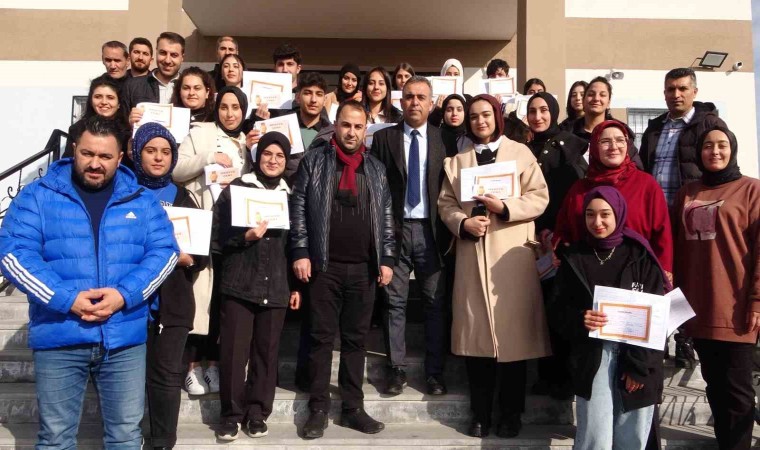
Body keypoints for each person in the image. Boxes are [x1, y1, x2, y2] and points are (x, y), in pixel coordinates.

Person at [0, 116, 178, 449]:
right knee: (56, 438)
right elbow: (13, 254)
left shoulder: (141, 200)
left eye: (105, 156)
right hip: (60, 335)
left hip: (123, 339)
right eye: (87, 153)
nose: (95, 163)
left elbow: (165, 252)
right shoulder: (37, 196)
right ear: (74, 149)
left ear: (121, 157)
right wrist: (66, 298)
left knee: (126, 436)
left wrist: (124, 295)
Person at [438, 94, 551, 438]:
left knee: (515, 342)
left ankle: (511, 414)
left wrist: (505, 207)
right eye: (473, 116)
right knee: (477, 343)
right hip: (473, 256)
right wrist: (462, 223)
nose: (480, 121)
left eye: (486, 114)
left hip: (511, 258)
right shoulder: (457, 162)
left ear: (497, 117)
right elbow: (446, 204)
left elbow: (539, 197)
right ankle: (480, 413)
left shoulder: (521, 153)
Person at [290, 100, 395, 439]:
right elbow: (299, 206)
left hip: (364, 269)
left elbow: (387, 215)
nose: (351, 132)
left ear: (366, 130)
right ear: (335, 125)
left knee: (355, 341)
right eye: (346, 125)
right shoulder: (315, 161)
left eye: (358, 126)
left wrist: (387, 258)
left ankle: (352, 408)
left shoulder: (375, 168)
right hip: (324, 266)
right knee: (320, 340)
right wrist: (301, 251)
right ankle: (318, 408)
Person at [547, 186, 667, 450]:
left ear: (619, 214)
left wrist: (639, 367)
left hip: (637, 356)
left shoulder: (640, 256)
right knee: (595, 438)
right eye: (590, 214)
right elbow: (556, 310)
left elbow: (657, 317)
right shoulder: (574, 257)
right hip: (593, 357)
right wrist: (581, 319)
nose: (597, 222)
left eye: (605, 214)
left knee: (631, 439)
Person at [673, 125, 760, 450]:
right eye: (708, 146)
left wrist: (757, 300)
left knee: (738, 393)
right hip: (698, 307)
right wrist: (676, 306)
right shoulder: (687, 193)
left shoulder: (752, 190)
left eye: (722, 145)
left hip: (736, 309)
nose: (715, 151)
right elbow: (677, 251)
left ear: (732, 149)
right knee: (715, 387)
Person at [212, 131, 302, 441]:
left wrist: (295, 286)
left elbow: (297, 245)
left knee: (267, 354)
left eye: (280, 156)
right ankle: (230, 415)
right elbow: (216, 236)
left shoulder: (292, 196)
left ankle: (257, 413)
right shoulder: (236, 189)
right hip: (239, 283)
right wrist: (244, 238)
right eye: (267, 154)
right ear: (257, 156)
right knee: (234, 353)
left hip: (276, 285)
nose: (273, 160)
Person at [641, 68, 726, 370]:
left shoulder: (709, 124)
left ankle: (685, 339)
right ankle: (658, 337)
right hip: (657, 216)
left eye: (682, 89)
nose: (675, 95)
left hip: (692, 213)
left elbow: (722, 164)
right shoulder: (654, 127)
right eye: (670, 89)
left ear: (694, 92)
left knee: (688, 275)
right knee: (661, 275)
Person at [370, 76, 450, 397]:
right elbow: (376, 188)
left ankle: (434, 373)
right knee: (394, 302)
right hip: (396, 230)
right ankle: (396, 369)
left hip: (432, 232)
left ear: (431, 103)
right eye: (409, 96)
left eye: (421, 97)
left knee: (434, 303)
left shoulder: (444, 139)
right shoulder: (384, 138)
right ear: (400, 101)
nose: (414, 102)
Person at [131, 123, 207, 449]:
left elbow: (200, 255)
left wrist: (183, 258)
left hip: (173, 303)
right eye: (151, 150)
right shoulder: (124, 192)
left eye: (165, 151)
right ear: (138, 153)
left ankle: (163, 441)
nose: (158, 157)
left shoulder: (183, 197)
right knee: (130, 376)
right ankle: (128, 437)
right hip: (130, 303)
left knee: (165, 375)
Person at [174, 86, 249, 395]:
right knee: (199, 301)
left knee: (221, 302)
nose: (230, 113)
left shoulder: (247, 142)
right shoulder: (200, 133)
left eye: (236, 108)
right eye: (224, 107)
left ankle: (214, 365)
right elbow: (176, 169)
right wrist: (208, 158)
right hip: (202, 224)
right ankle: (191, 368)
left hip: (232, 232)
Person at [525, 92, 587, 399]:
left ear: (553, 111)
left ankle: (563, 378)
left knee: (560, 307)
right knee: (539, 309)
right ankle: (545, 374)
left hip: (561, 240)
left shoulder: (570, 144)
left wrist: (559, 232)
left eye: (543, 110)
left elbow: (576, 189)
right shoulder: (524, 149)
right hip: (531, 239)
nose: (538, 117)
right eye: (532, 111)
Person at [554, 120, 673, 278]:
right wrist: (558, 250)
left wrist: (664, 269)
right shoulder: (579, 189)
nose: (613, 147)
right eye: (605, 141)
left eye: (620, 140)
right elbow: (563, 230)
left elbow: (662, 233)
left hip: (637, 273)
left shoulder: (646, 185)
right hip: (589, 273)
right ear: (594, 147)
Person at [64, 76, 130, 158]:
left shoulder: (128, 132)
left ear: (119, 103)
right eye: (98, 97)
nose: (104, 102)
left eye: (110, 98)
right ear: (91, 101)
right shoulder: (77, 129)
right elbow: (67, 161)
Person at [123, 32, 185, 116]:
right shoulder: (132, 86)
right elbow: (121, 121)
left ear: (182, 57)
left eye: (174, 55)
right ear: (156, 52)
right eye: (163, 53)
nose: (167, 60)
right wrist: (129, 121)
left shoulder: (190, 88)